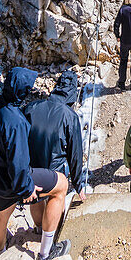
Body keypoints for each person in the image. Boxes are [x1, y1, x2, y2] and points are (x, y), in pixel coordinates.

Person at [0, 68, 70, 260]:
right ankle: (46, 253)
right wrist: (27, 189)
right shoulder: (16, 121)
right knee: (61, 186)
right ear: (22, 91)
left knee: (1, 216)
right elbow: (19, 161)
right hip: (15, 181)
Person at [25, 70, 86, 206]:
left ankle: (38, 226)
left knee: (37, 197)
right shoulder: (70, 116)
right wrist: (78, 184)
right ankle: (51, 227)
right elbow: (75, 153)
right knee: (57, 193)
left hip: (31, 168)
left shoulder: (31, 107)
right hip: (55, 170)